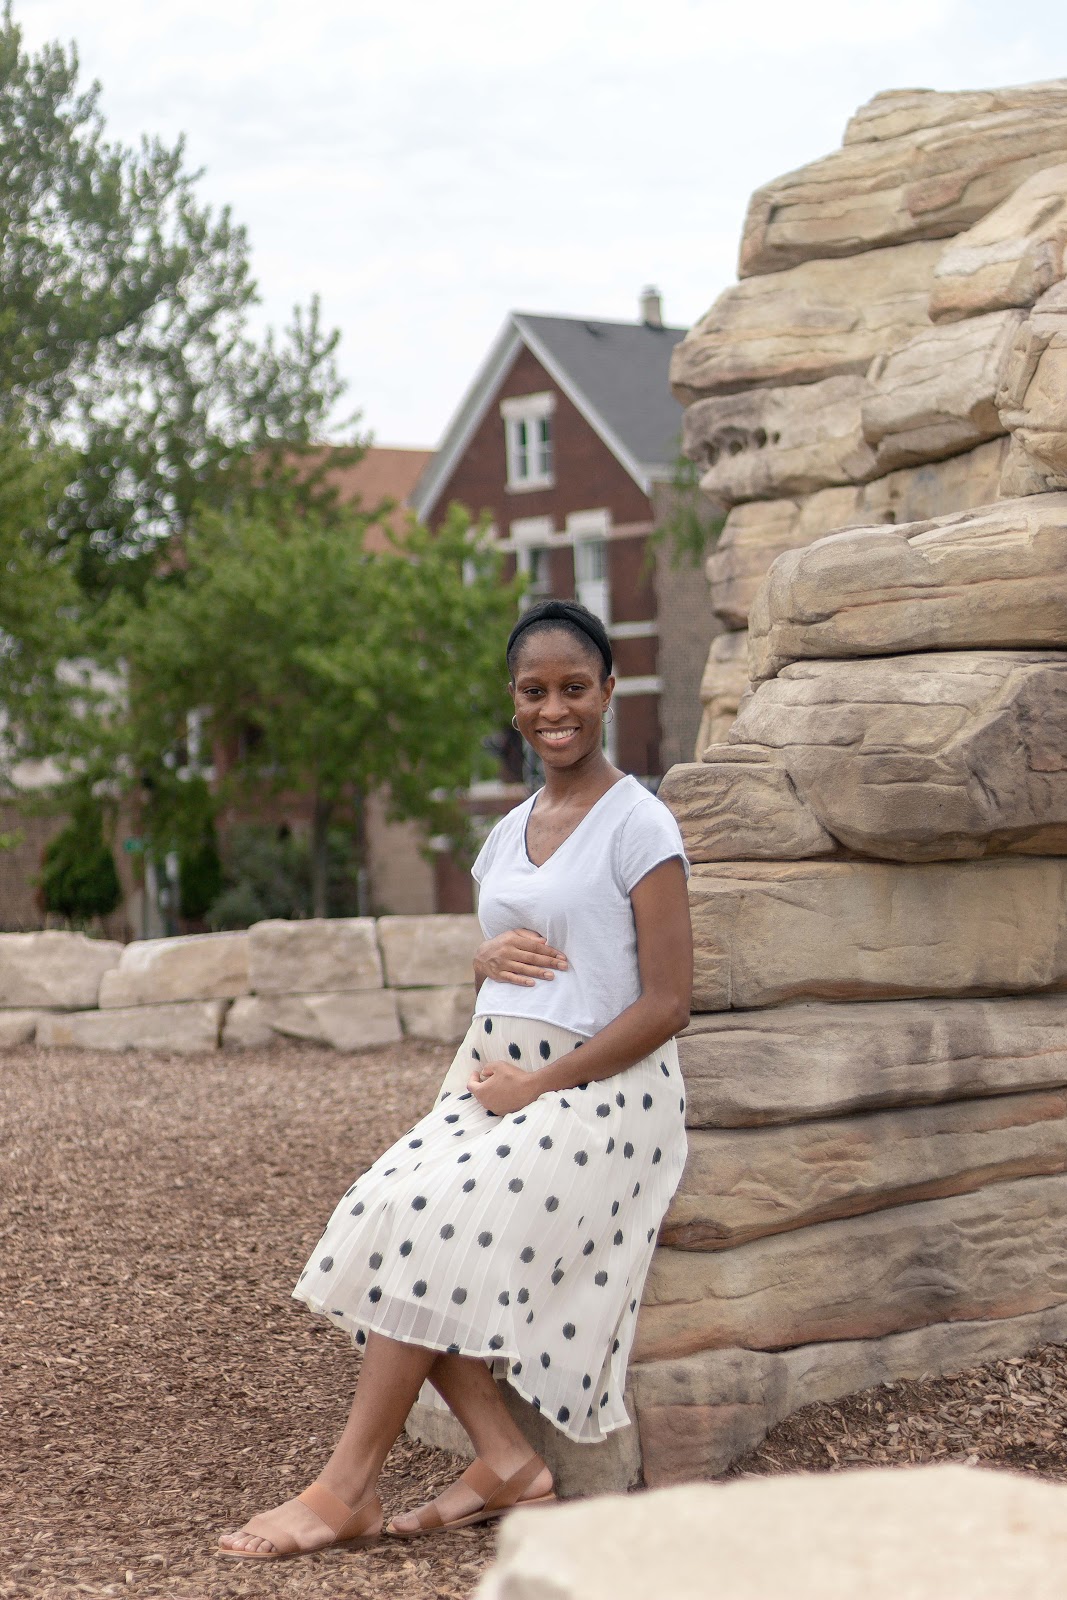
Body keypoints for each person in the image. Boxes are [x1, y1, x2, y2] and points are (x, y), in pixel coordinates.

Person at [218, 597, 692, 1561]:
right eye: (533, 691)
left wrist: (542, 1082)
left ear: (608, 691)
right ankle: (507, 1463)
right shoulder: (512, 824)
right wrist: (484, 963)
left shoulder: (641, 824)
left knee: (434, 1222)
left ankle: (346, 1486)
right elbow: (532, 941)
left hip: (605, 1093)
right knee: (380, 1209)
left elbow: (667, 1002)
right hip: (486, 1080)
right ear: (511, 701)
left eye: (572, 688)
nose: (551, 708)